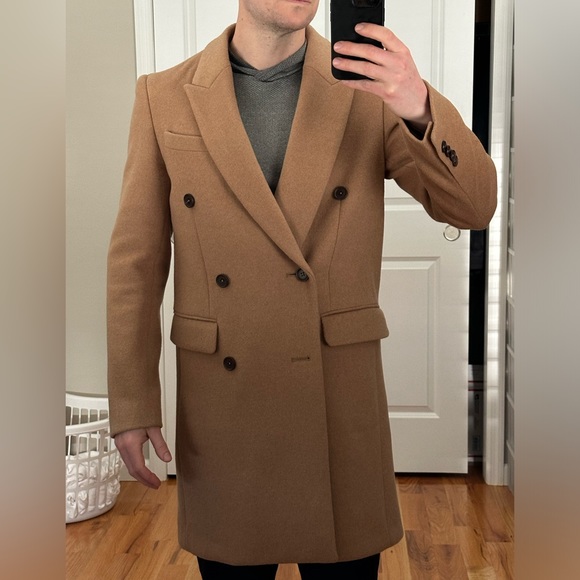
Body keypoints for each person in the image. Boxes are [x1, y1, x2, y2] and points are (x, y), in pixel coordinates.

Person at [107, 1, 497, 578]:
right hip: (225, 402)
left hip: (336, 396)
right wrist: (133, 401)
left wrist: (417, 103)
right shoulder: (163, 95)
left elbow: (473, 206)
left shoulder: (368, 89)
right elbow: (135, 264)